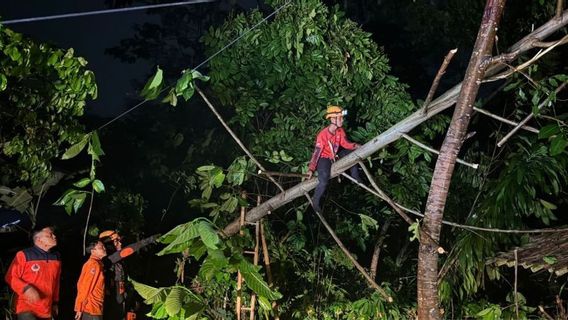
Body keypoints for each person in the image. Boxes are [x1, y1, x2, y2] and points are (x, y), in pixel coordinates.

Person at [308, 105, 362, 212]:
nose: (342, 120)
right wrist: (311, 169)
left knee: (351, 154)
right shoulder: (322, 135)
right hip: (324, 158)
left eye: (342, 117)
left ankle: (356, 176)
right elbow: (316, 153)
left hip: (335, 155)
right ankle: (315, 201)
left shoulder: (340, 131)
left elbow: (345, 144)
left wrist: (356, 146)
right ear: (333, 119)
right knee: (323, 180)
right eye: (340, 118)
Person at [98, 230, 160, 320]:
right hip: (112, 301)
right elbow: (129, 250)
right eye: (116, 241)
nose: (119, 244)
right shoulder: (108, 260)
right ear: (108, 245)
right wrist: (150, 240)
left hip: (121, 295)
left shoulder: (117, 261)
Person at [5, 226, 61, 320]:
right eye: (50, 235)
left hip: (45, 308)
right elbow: (10, 277)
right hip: (26, 307)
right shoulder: (23, 255)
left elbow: (56, 282)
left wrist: (55, 302)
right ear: (39, 240)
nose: (54, 236)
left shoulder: (56, 258)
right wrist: (26, 288)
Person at [75, 241, 107, 320]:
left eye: (103, 246)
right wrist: (79, 307)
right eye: (101, 248)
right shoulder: (93, 265)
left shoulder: (98, 263)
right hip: (91, 308)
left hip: (95, 308)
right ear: (93, 251)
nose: (104, 249)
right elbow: (84, 287)